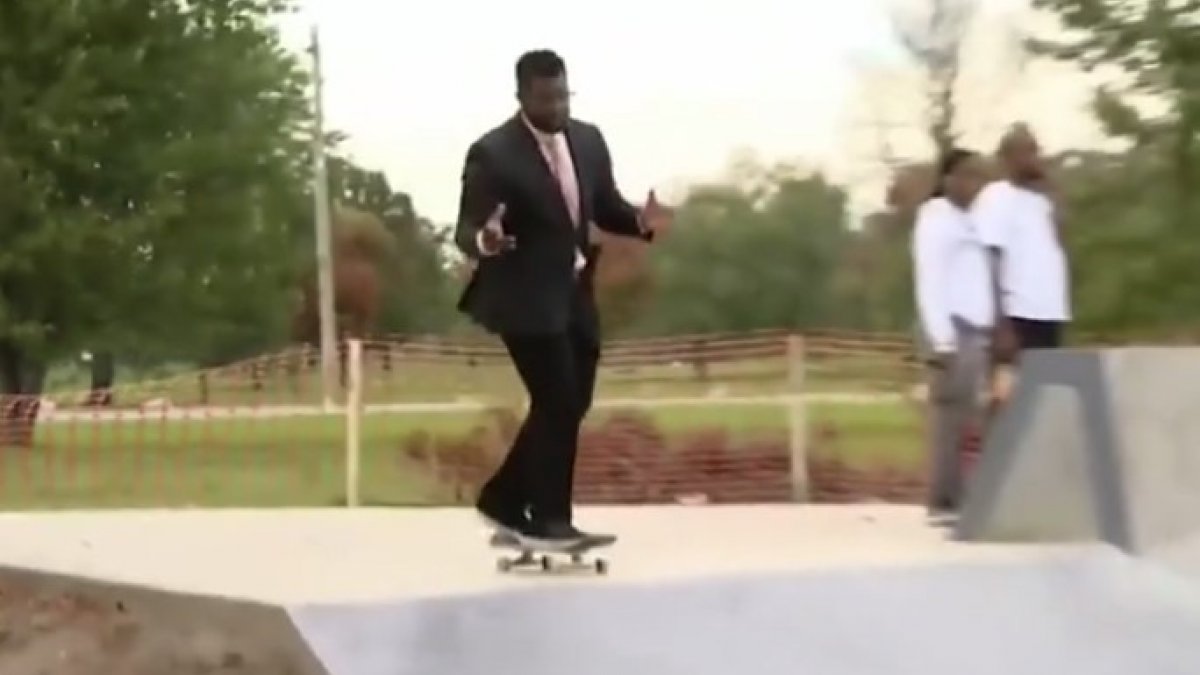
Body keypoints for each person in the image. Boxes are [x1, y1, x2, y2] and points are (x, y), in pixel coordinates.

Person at [453, 49, 672, 549]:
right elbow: (467, 227)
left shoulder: (588, 140)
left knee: (573, 401)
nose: (557, 107)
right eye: (545, 99)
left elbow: (605, 206)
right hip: (521, 296)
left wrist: (640, 221)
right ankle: (550, 519)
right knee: (557, 400)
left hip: (574, 291)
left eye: (562, 96)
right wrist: (486, 240)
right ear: (522, 97)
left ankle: (504, 499)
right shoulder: (493, 153)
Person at [912, 148, 992, 521]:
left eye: (980, 176)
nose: (976, 183)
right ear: (948, 179)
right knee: (949, 419)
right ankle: (942, 501)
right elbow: (930, 281)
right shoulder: (936, 218)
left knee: (971, 417)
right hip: (952, 329)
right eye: (968, 175)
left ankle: (964, 496)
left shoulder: (971, 219)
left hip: (977, 329)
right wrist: (941, 340)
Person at [973, 124, 1071, 355]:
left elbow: (1061, 238)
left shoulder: (1042, 199)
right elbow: (988, 260)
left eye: (1035, 151)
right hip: (1016, 315)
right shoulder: (995, 196)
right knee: (1013, 378)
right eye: (1025, 152)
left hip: (1049, 312)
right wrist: (1000, 323)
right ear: (1007, 158)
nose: (1033, 158)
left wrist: (1052, 190)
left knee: (1046, 378)